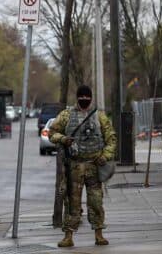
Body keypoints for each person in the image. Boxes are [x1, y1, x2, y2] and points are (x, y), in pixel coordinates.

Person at [48, 85, 117, 247]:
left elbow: (111, 139)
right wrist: (64, 139)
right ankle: (68, 235)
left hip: (94, 166)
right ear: (77, 98)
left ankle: (99, 233)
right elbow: (51, 133)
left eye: (87, 97)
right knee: (72, 202)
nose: (85, 100)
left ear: (91, 98)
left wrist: (105, 156)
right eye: (82, 97)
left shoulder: (100, 117)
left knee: (96, 201)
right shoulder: (66, 115)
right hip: (75, 167)